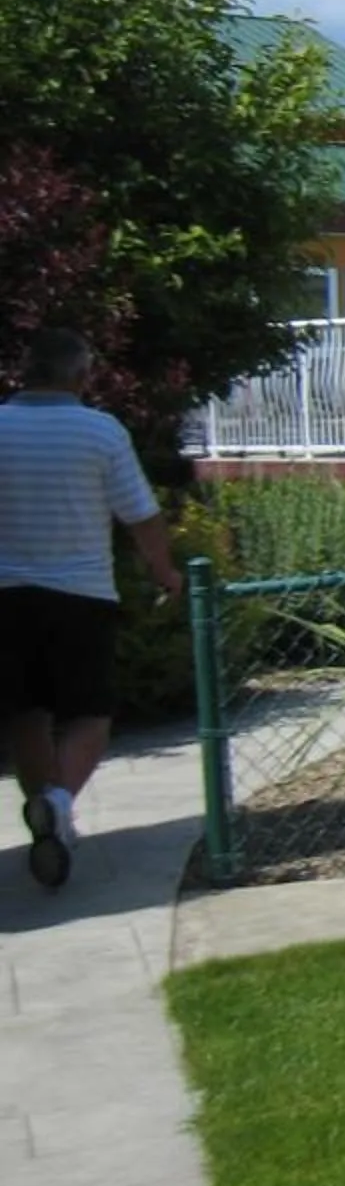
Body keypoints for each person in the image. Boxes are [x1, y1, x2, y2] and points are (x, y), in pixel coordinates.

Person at [1, 331, 183, 890]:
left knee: (26, 712)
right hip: (82, 595)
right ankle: (57, 804)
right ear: (81, 376)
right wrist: (164, 572)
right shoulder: (100, 432)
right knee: (90, 713)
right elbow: (140, 514)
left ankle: (49, 823)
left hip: (7, 595)